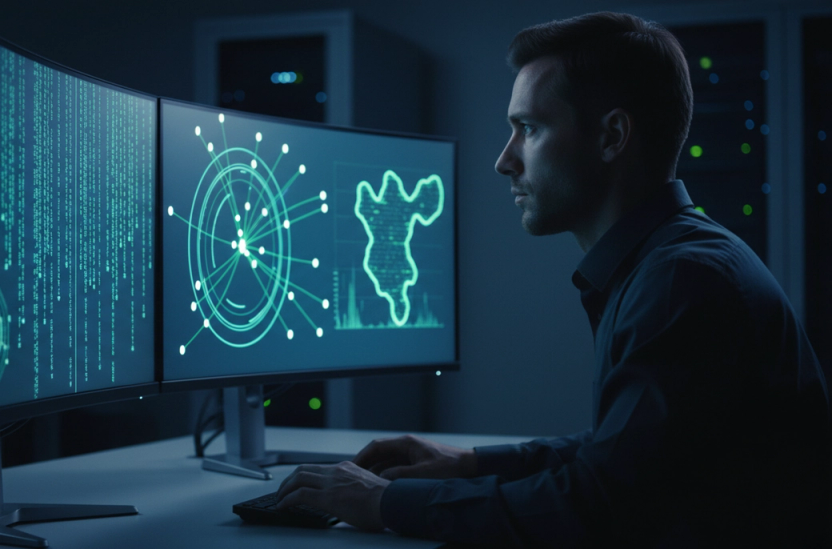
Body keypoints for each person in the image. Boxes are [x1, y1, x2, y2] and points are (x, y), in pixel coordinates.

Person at [275, 11, 832, 546]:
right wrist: (466, 463)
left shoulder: (680, 281)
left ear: (612, 136)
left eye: (529, 128)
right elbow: (623, 455)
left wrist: (384, 503)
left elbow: (597, 508)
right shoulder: (668, 262)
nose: (505, 161)